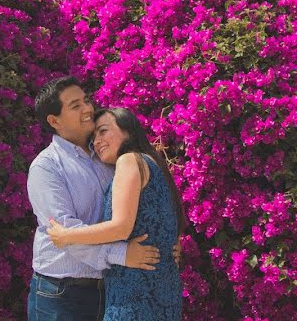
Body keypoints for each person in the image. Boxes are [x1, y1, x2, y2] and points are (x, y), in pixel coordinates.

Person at [27, 77, 162, 320]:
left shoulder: (107, 155)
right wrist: (123, 254)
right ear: (54, 121)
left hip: (110, 288)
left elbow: (141, 205)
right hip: (62, 294)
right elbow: (65, 235)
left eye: (86, 101)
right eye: (75, 105)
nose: (88, 109)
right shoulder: (46, 167)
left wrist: (165, 241)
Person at [47, 107, 185, 320]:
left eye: (103, 131)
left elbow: (121, 227)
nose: (97, 141)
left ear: (128, 131)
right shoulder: (153, 163)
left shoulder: (129, 160)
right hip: (163, 290)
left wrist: (65, 236)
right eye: (93, 137)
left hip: (136, 295)